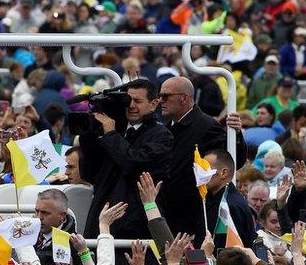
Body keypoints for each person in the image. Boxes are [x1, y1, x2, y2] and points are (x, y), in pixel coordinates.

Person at [80, 78, 173, 239]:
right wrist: (89, 135)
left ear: (153, 104)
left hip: (135, 226)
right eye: (129, 100)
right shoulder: (114, 129)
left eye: (138, 101)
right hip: (102, 216)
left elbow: (133, 163)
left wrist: (110, 135)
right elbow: (89, 173)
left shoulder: (161, 135)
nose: (131, 106)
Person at [158, 76, 241, 241]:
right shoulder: (165, 129)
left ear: (184, 98)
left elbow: (231, 161)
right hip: (167, 215)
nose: (160, 100)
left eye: (166, 96)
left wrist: (236, 135)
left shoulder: (208, 127)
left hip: (191, 221)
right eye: (159, 95)